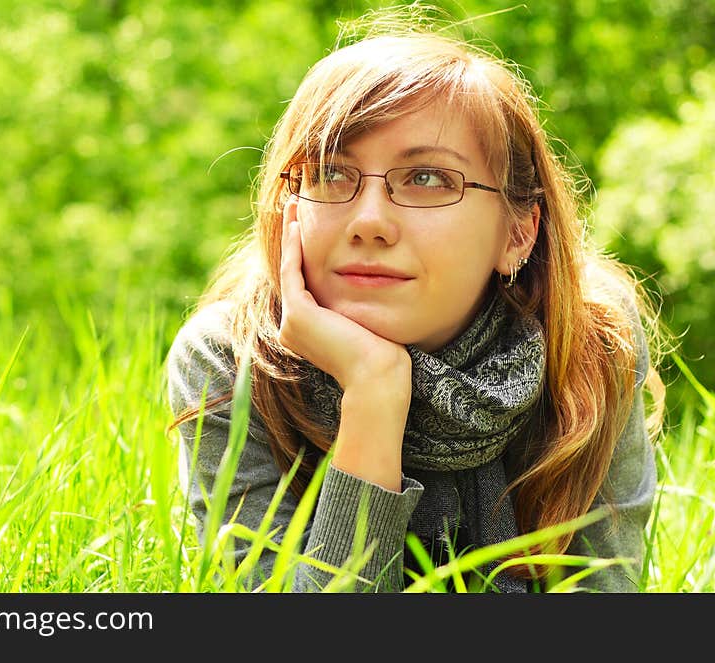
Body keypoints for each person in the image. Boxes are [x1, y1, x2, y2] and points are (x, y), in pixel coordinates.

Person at [166, 8, 665, 593]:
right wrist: (375, 395)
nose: (369, 222)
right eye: (331, 172)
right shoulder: (232, 359)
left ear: (518, 234)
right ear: (290, 206)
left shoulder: (589, 338)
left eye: (427, 178)